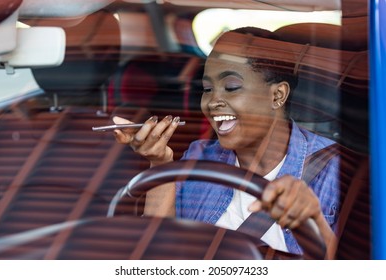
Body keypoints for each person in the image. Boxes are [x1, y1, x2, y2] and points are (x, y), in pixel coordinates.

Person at [112, 27, 339, 258]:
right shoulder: (200, 157)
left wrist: (315, 222)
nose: (212, 102)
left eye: (231, 87)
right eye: (207, 89)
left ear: (277, 95)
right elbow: (157, 250)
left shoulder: (335, 173)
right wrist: (160, 162)